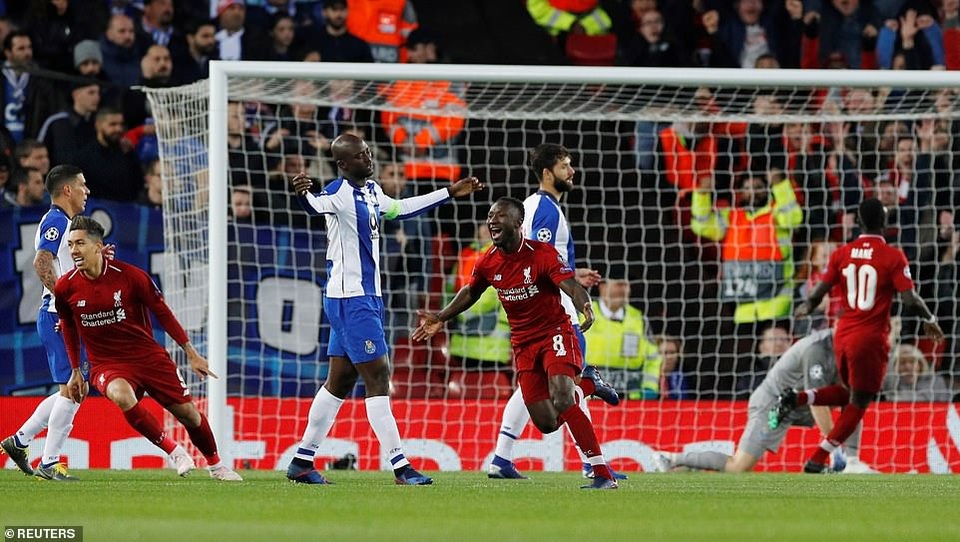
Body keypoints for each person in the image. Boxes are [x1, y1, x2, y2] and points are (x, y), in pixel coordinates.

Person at [283, 133, 483, 485]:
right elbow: (315, 207)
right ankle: (401, 466)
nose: (368, 157)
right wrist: (302, 193)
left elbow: (403, 209)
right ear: (344, 164)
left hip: (365, 297)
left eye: (368, 151)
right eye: (360, 155)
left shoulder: (372, 191)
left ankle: (302, 461)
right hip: (350, 299)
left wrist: (449, 193)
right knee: (379, 377)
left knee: (339, 382)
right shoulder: (337, 193)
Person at [414, 197, 620, 490]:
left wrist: (585, 305)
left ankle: (601, 473)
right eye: (490, 216)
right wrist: (441, 317)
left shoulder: (541, 254)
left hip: (554, 333)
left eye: (500, 216)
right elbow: (471, 292)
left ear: (518, 223)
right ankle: (589, 383)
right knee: (547, 423)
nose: (492, 221)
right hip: (523, 344)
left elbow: (570, 285)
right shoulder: (487, 261)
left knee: (562, 397)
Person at [54, 215, 243, 482]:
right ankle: (175, 452)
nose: (74, 250)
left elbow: (163, 313)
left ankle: (216, 466)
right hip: (107, 363)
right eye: (71, 244)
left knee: (188, 414)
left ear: (98, 246)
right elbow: (68, 326)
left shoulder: (130, 277)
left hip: (148, 357)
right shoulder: (66, 286)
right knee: (121, 395)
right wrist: (75, 369)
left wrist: (190, 352)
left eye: (80, 243)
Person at [772, 198, 944, 473]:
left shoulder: (841, 253)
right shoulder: (893, 256)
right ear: (885, 223)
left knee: (847, 393)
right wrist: (931, 319)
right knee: (859, 402)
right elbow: (910, 299)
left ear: (860, 223)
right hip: (870, 338)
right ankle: (817, 459)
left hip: (843, 334)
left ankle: (799, 398)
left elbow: (818, 293)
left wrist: (805, 308)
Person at [486, 143, 619, 481]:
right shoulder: (547, 211)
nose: (571, 172)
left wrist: (576, 273)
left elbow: (541, 259)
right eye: (564, 166)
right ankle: (591, 460)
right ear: (548, 173)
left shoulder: (532, 205)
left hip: (531, 308)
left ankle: (501, 457)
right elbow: (538, 259)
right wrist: (573, 291)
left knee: (534, 386)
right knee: (568, 385)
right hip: (555, 312)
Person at [653, 329, 876, 474]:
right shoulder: (816, 349)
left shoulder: (849, 350)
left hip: (798, 402)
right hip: (773, 405)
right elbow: (816, 400)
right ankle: (671, 458)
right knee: (739, 467)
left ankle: (852, 462)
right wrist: (834, 448)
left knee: (853, 399)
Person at [1, 165, 90, 481]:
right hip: (56, 316)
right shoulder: (55, 220)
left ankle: (20, 440)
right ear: (67, 190)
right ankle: (49, 463)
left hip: (61, 315)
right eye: (82, 185)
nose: (86, 191)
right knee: (74, 387)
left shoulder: (66, 222)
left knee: (74, 387)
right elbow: (41, 262)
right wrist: (64, 301)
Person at [587, 266, 662, 400]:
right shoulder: (584, 313)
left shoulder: (638, 318)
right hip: (591, 398)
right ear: (602, 287)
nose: (624, 289)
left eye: (627, 285)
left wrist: (649, 387)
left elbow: (653, 357)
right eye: (619, 284)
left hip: (631, 399)